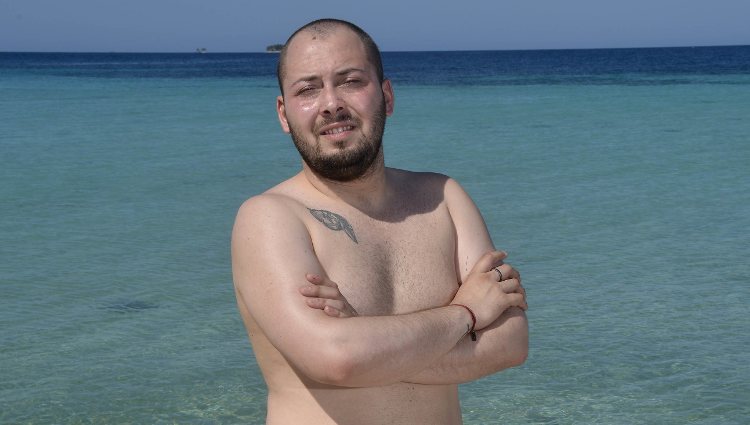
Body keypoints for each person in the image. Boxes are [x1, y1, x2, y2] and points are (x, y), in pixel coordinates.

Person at [232, 18, 528, 425]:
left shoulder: (443, 198)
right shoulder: (270, 218)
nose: (331, 103)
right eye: (308, 89)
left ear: (386, 96)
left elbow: (511, 344)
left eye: (351, 81)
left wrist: (369, 342)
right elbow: (339, 361)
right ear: (284, 114)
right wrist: (465, 315)